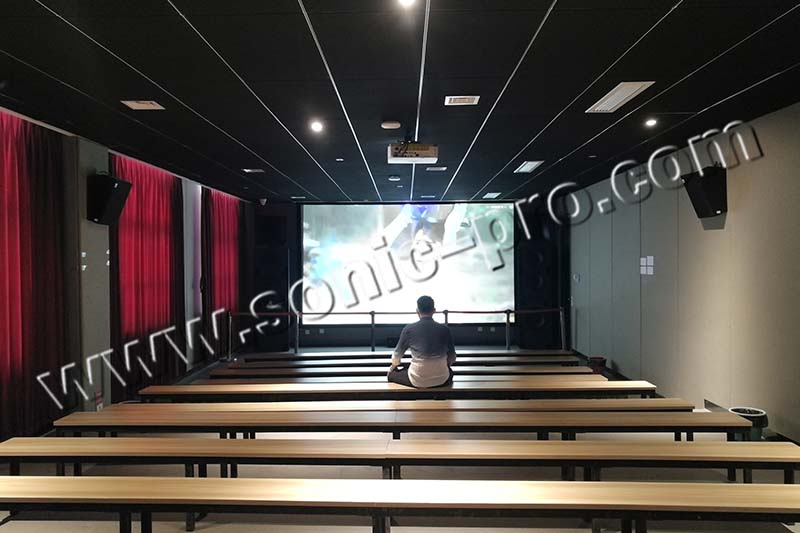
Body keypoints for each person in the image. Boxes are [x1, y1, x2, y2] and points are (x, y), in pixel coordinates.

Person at [387, 295, 456, 388]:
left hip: (417, 380)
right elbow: (452, 357)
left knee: (392, 374)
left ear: (417, 311)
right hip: (442, 379)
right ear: (434, 310)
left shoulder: (409, 329)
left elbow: (396, 355)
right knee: (449, 372)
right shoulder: (445, 329)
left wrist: (394, 365)